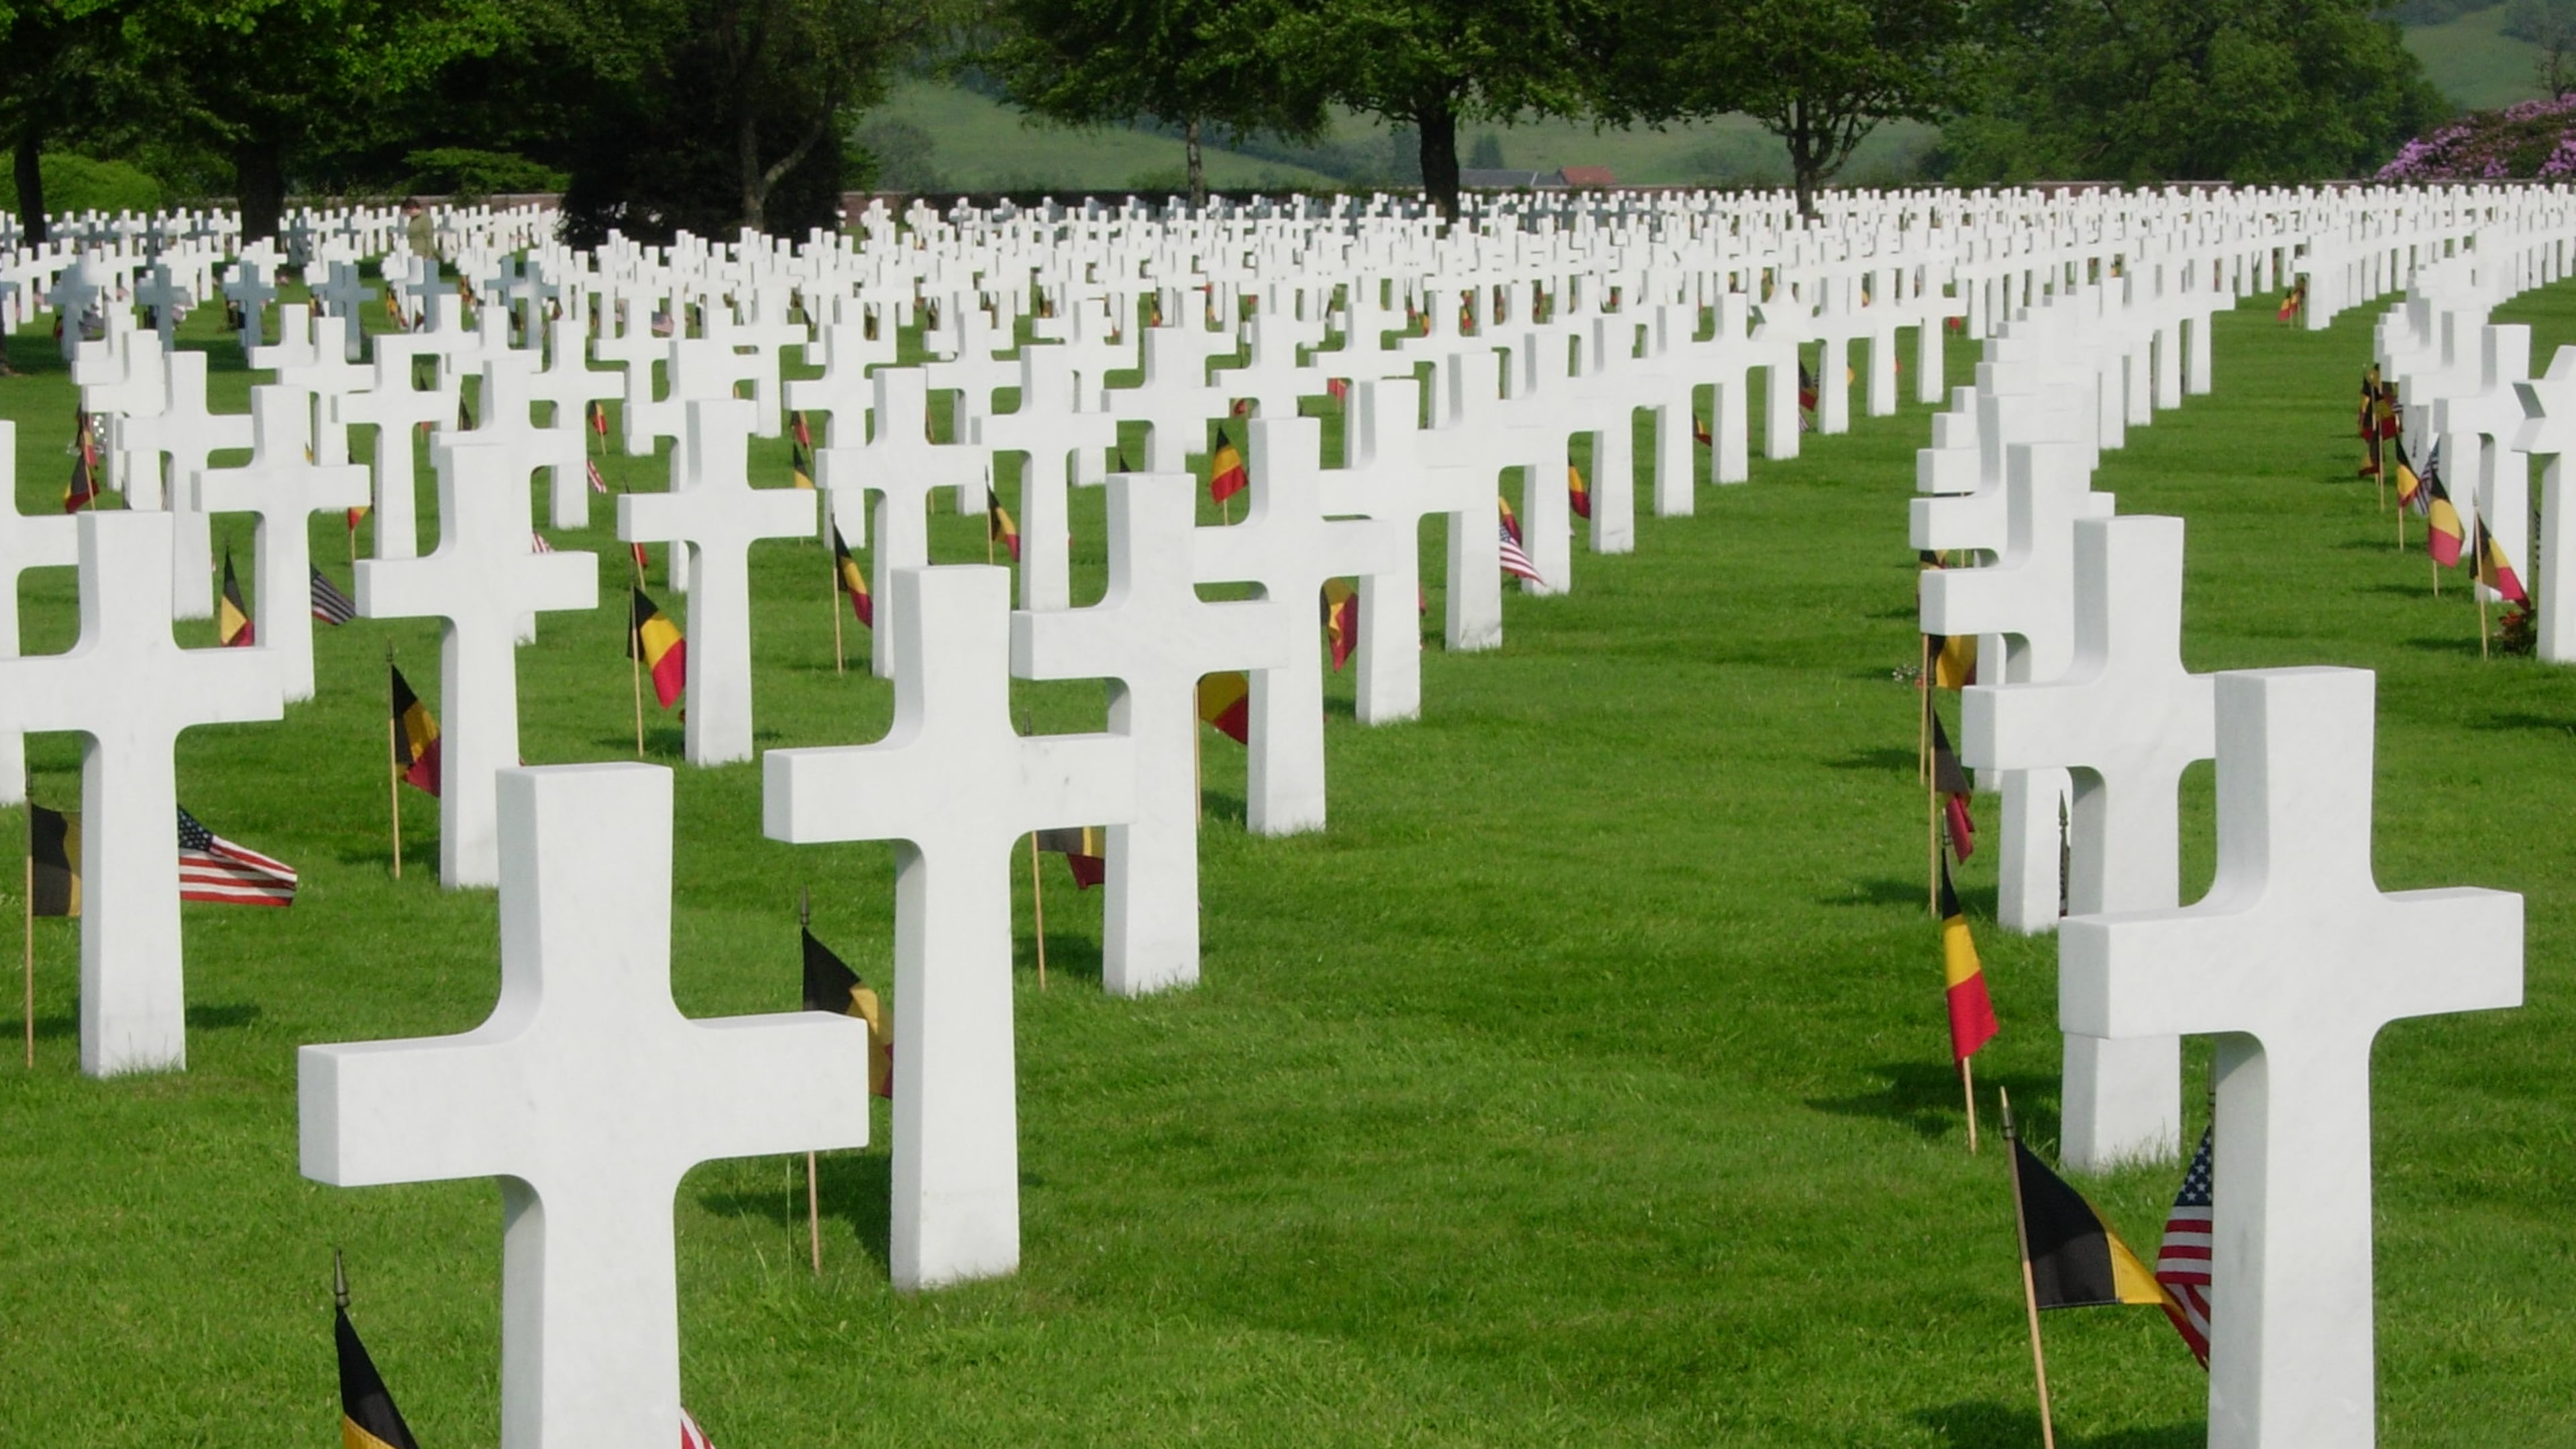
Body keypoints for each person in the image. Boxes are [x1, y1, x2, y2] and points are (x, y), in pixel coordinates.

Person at [402, 199, 437, 263]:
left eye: (408, 212)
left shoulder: (425, 219)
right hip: (413, 253)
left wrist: (428, 256)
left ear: (413, 209)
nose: (407, 215)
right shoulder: (413, 219)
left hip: (422, 254)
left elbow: (429, 239)